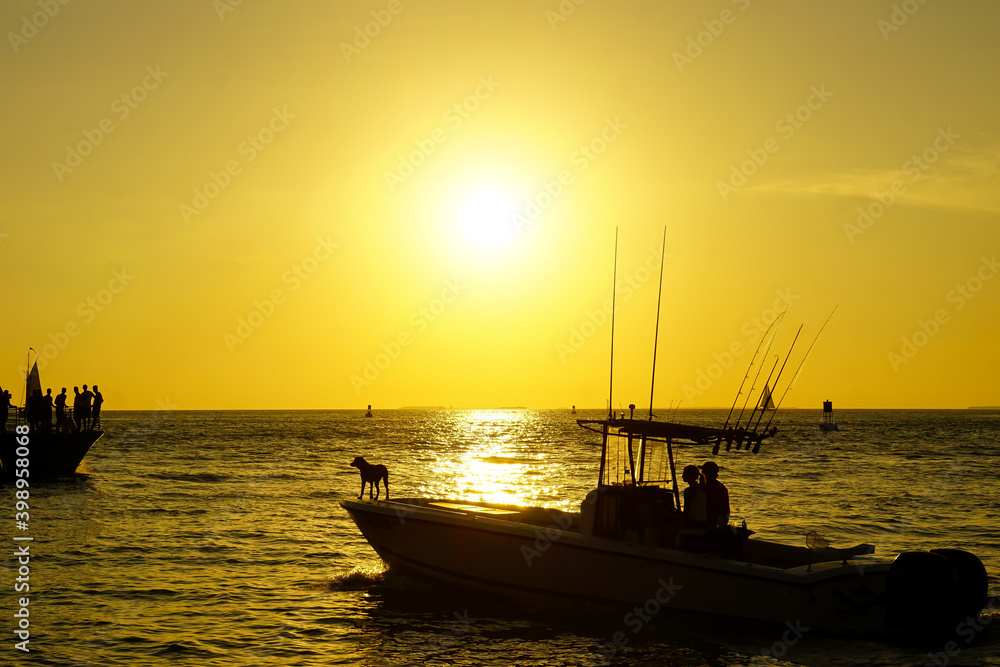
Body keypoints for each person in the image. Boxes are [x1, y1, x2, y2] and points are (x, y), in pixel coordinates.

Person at [702, 461, 731, 527]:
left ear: (707, 473)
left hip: (712, 521)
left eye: (703, 471)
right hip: (721, 520)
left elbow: (710, 507)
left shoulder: (709, 486)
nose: (702, 473)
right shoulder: (721, 486)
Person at [681, 464, 708, 528]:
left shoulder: (689, 491)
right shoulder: (703, 489)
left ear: (690, 475)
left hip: (693, 523)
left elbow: (686, 513)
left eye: (684, 474)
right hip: (703, 523)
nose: (682, 476)